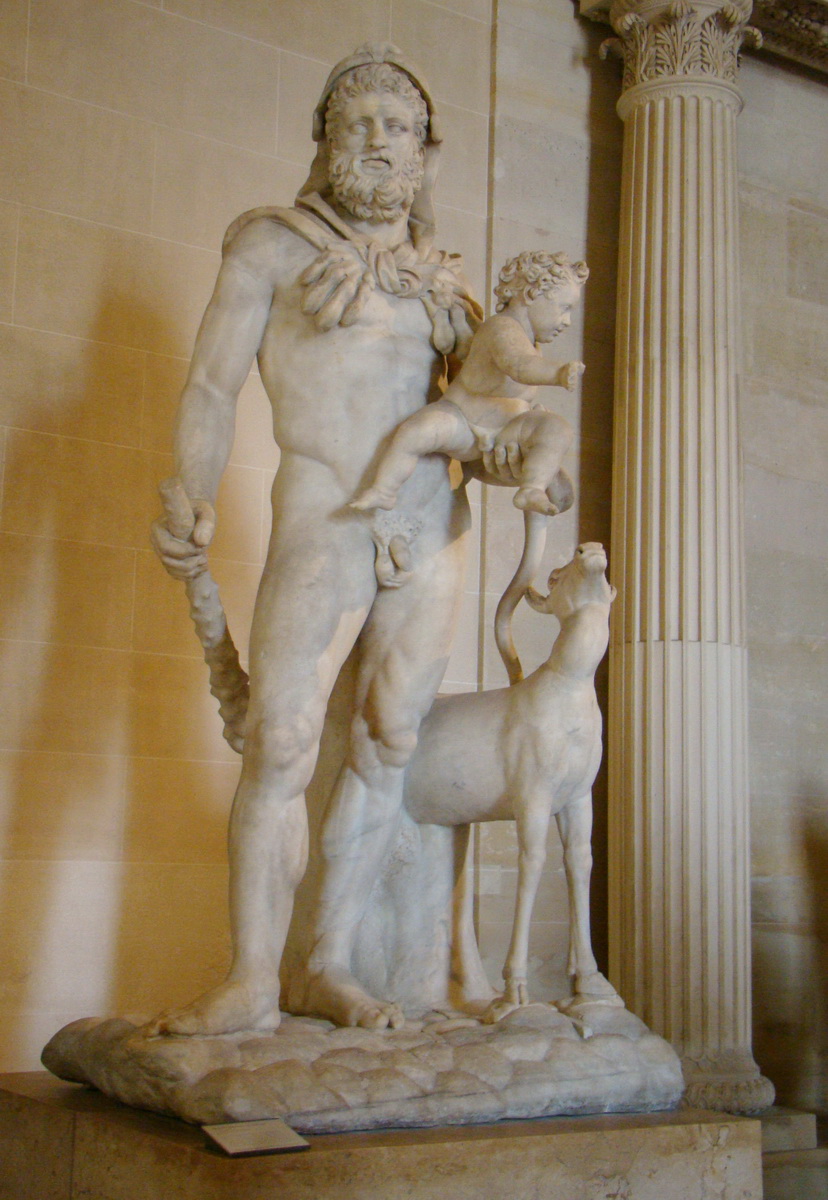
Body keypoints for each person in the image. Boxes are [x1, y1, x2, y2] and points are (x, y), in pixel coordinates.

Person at [149, 44, 481, 1036]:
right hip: (325, 516)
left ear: (425, 152)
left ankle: (326, 963)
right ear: (325, 141)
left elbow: (493, 406)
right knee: (282, 740)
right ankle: (252, 977)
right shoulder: (271, 243)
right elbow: (212, 385)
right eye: (359, 122)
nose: (380, 140)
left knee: (386, 740)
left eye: (399, 126)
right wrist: (193, 492)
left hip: (431, 528)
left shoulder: (442, 285)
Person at [352, 251, 588, 519]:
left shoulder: (531, 341)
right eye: (564, 308)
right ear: (531, 295)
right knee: (416, 432)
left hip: (506, 430)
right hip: (462, 420)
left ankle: (532, 487)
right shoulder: (501, 328)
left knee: (558, 429)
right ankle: (385, 489)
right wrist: (558, 372)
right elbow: (519, 365)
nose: (567, 321)